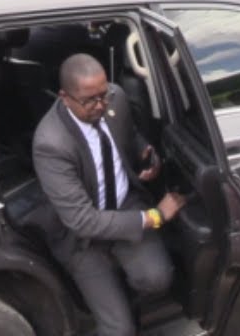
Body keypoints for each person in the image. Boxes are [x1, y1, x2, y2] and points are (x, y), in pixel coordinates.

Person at [32, 54, 184, 336]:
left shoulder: (116, 98)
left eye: (104, 95)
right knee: (119, 329)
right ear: (65, 97)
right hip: (83, 238)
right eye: (90, 100)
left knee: (158, 279)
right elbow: (83, 221)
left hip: (125, 204)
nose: (101, 105)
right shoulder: (50, 144)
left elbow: (129, 132)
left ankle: (121, 292)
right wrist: (155, 217)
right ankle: (114, 306)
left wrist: (143, 151)